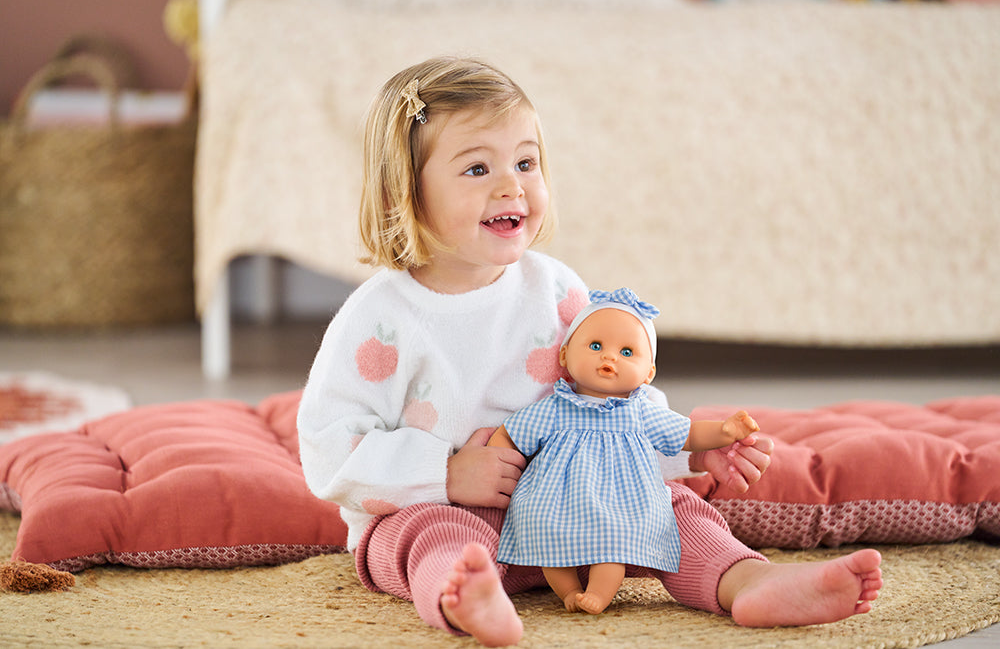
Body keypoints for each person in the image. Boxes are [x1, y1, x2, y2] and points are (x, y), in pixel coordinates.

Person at [296, 56, 883, 647]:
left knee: (671, 507)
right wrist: (445, 475)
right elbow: (329, 445)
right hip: (442, 514)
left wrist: (693, 456)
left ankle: (747, 580)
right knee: (424, 536)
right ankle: (468, 595)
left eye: (525, 163)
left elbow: (613, 399)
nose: (512, 186)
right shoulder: (381, 318)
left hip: (573, 519)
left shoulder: (556, 291)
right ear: (405, 192)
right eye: (477, 168)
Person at [488, 287, 764, 615]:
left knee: (616, 541)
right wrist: (495, 464)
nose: (609, 357)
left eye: (627, 352)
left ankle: (599, 593)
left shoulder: (640, 412)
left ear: (648, 374)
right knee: (543, 531)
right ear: (564, 355)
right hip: (555, 496)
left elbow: (687, 433)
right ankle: (568, 591)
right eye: (595, 346)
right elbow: (511, 434)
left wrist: (724, 431)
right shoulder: (554, 408)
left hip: (620, 500)